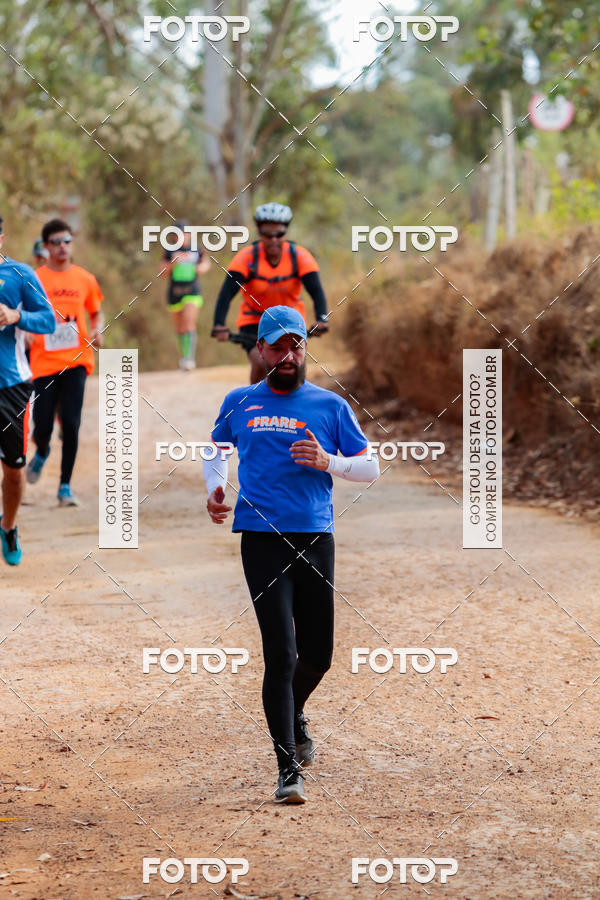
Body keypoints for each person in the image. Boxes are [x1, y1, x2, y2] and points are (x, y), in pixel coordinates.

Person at [204, 306, 379, 803]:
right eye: (277, 346)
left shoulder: (329, 406)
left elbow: (370, 469)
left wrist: (331, 462)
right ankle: (287, 771)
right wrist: (216, 489)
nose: (288, 354)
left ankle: (294, 711)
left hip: (314, 537)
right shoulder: (240, 402)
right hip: (260, 538)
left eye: (296, 345)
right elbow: (215, 450)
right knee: (280, 655)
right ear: (260, 350)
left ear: (306, 347)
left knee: (317, 657)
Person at [26, 219, 104, 507]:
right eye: (56, 242)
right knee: (42, 425)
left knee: (71, 423)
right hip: (44, 361)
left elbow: (96, 312)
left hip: (77, 360)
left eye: (67, 241)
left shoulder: (84, 278)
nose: (62, 247)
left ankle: (65, 486)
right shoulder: (33, 278)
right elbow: (23, 313)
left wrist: (99, 330)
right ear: (46, 246)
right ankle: (43, 450)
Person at [211, 203, 330, 384]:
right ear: (259, 232)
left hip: (290, 320)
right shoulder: (246, 258)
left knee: (294, 364)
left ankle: (295, 407)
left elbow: (316, 291)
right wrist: (219, 324)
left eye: (279, 234)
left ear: (286, 232)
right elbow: (226, 294)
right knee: (262, 362)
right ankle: (254, 402)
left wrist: (322, 318)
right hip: (254, 322)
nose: (273, 240)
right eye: (268, 234)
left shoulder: (300, 256)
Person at [0, 214, 56, 565]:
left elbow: (49, 320)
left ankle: (8, 526)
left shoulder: (19, 275)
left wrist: (16, 317)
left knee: (14, 471)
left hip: (11, 386)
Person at [161, 221, 210, 371]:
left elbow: (206, 263)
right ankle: (183, 357)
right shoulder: (169, 251)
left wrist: (200, 268)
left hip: (192, 291)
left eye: (184, 233)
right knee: (180, 328)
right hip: (175, 292)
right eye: (177, 234)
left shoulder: (196, 249)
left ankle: (189, 358)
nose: (181, 237)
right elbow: (162, 272)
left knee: (188, 322)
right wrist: (173, 264)